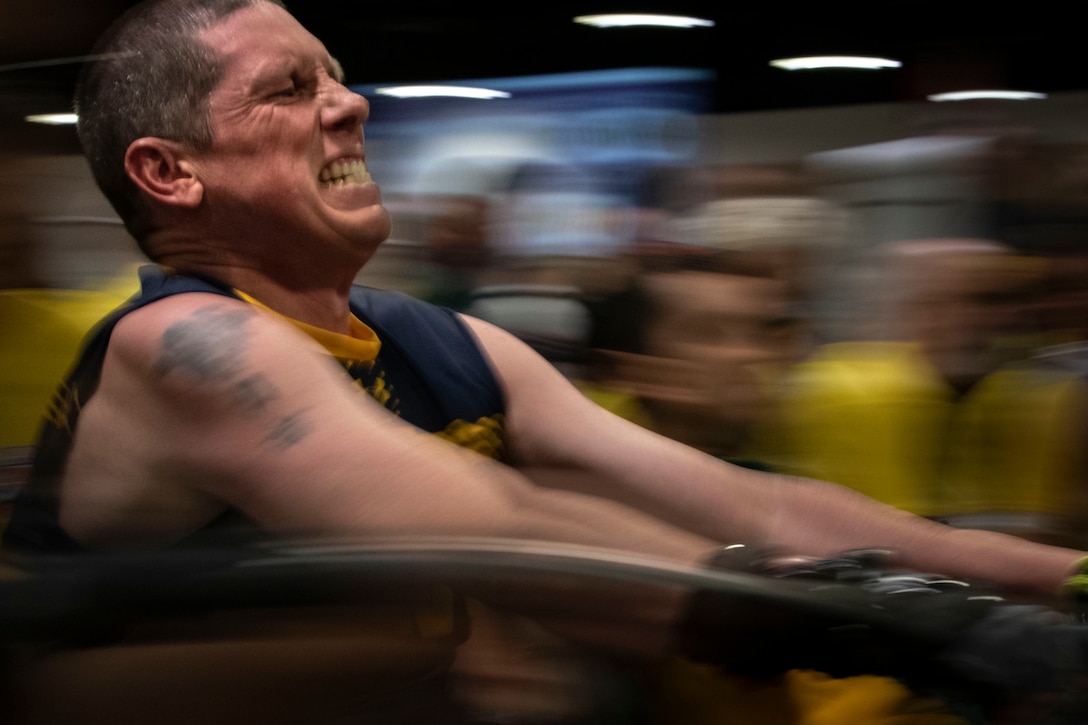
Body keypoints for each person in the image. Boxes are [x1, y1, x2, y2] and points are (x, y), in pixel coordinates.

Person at [3, 1, 1088, 718]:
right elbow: (496, 527)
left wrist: (1051, 577)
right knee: (409, 623)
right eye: (288, 89)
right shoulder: (181, 346)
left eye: (336, 75)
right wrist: (901, 623)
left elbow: (747, 499)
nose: (350, 103)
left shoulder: (442, 340)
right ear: (169, 172)